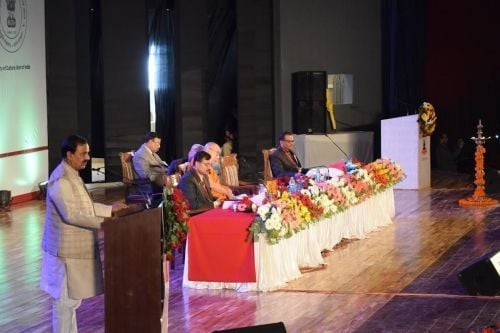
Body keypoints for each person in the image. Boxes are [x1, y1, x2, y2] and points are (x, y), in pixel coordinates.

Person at [40, 135, 127, 333]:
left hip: (74, 252)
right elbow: (71, 214)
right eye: (83, 153)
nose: (87, 157)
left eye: (87, 152)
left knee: (71, 303)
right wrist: (105, 223)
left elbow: (84, 207)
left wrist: (109, 209)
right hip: (63, 255)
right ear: (69, 155)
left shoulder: (72, 174)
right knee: (64, 304)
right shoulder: (61, 180)